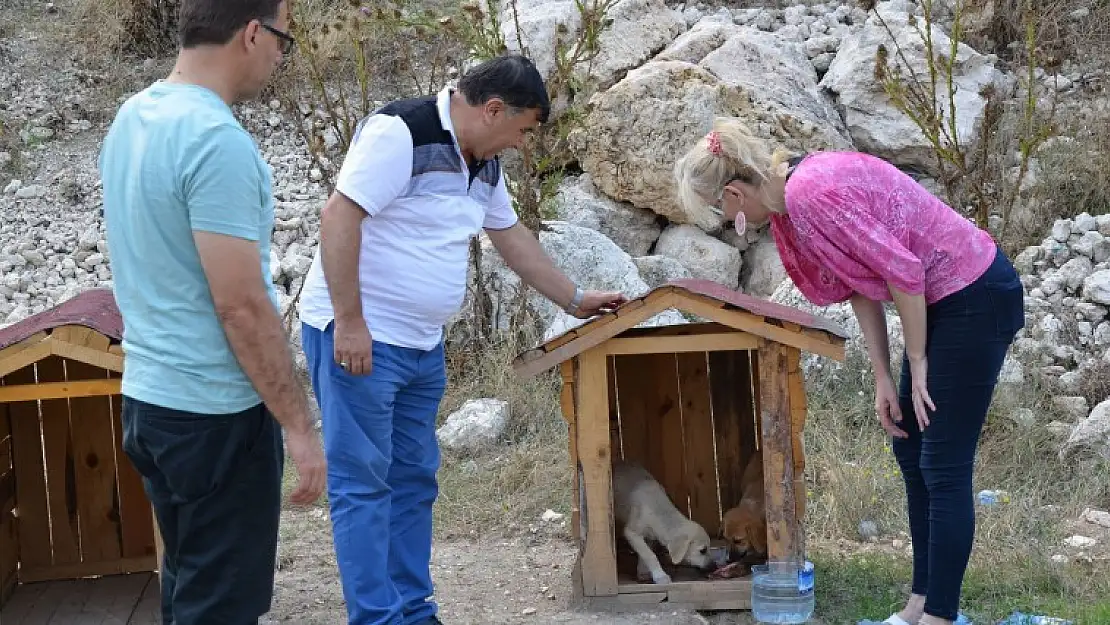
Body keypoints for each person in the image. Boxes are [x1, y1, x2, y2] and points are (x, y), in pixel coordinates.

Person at [298, 54, 627, 625]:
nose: (523, 144)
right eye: (523, 130)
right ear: (493, 109)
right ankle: (376, 618)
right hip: (361, 340)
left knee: (414, 478)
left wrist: (574, 300)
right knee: (364, 484)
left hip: (423, 347)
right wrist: (350, 322)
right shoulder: (401, 132)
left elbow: (510, 236)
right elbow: (338, 219)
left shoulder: (482, 162)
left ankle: (412, 610)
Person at [673, 117, 1025, 625]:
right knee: (910, 444)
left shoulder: (812, 193)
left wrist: (919, 362)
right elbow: (860, 283)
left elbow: (905, 270)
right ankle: (919, 605)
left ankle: (940, 617)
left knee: (942, 462)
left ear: (733, 192)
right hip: (940, 302)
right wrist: (884, 374)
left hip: (974, 295)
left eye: (719, 211)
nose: (727, 221)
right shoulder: (788, 207)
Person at [98, 1, 326, 623]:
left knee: (189, 586)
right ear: (252, 33)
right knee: (220, 605)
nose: (281, 57)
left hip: (150, 399)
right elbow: (242, 306)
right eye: (283, 40)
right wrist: (300, 429)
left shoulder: (133, 116)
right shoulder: (215, 141)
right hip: (214, 414)